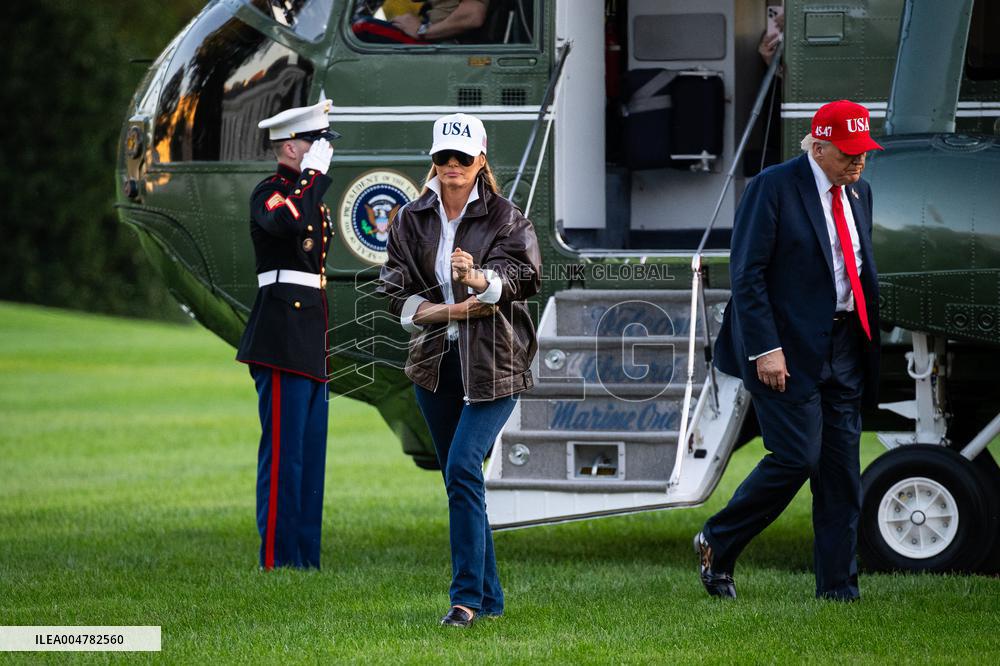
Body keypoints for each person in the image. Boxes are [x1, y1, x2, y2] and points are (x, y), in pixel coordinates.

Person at [696, 100, 883, 601]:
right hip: (784, 347)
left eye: (863, 153)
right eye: (849, 154)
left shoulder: (860, 192)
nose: (858, 162)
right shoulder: (773, 187)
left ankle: (839, 593)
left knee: (842, 473)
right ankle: (718, 539)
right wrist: (766, 348)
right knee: (798, 456)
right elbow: (748, 274)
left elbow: (858, 271)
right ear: (819, 147)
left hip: (844, 345)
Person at [377, 112, 541, 627]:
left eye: (462, 158)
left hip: (495, 361)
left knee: (464, 467)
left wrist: (478, 279)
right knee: (459, 480)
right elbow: (394, 288)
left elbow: (524, 277)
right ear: (433, 160)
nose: (452, 166)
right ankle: (491, 599)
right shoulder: (409, 218)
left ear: (481, 160)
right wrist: (445, 311)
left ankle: (465, 600)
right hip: (434, 363)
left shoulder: (508, 217)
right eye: (443, 157)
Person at [235, 99, 341, 570]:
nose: (325, 154)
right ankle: (277, 560)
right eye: (318, 144)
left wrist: (311, 183)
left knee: (311, 456)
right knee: (284, 456)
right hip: (280, 336)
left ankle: (306, 559)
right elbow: (286, 221)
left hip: (310, 336)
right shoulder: (271, 192)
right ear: (293, 147)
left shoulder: (306, 195)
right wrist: (311, 179)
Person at [392, 0, 489, 42]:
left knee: (376, 30)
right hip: (433, 37)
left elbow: (472, 15)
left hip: (447, 43)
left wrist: (421, 31)